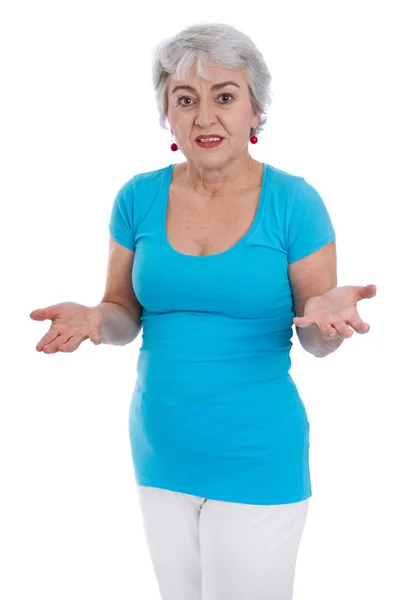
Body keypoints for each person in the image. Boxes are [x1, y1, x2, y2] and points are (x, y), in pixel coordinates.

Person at [30, 22, 377, 600]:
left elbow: (316, 339)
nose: (205, 116)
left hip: (256, 454)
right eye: (185, 100)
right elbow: (123, 311)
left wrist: (327, 321)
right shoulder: (137, 197)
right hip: (160, 450)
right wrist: (96, 318)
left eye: (225, 96)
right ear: (167, 115)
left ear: (255, 110)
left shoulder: (294, 202)